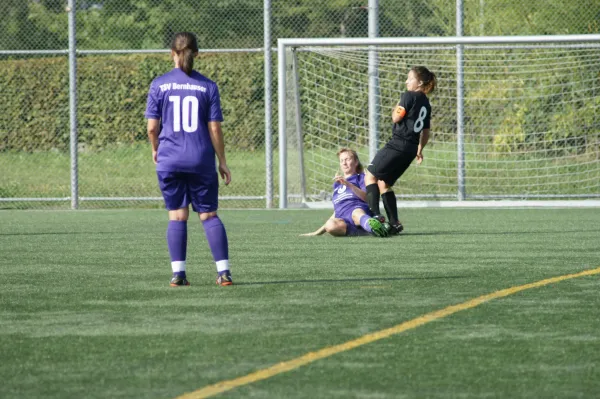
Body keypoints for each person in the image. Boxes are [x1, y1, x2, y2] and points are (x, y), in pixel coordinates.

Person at [145, 32, 233, 287]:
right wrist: (223, 161)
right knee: (208, 216)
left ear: (172, 53)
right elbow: (215, 128)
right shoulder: (208, 86)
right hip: (200, 161)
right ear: (196, 54)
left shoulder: (158, 84)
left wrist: (155, 148)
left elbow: (152, 128)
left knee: (177, 216)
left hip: (169, 160)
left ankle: (178, 275)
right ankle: (224, 273)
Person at [365, 66, 436, 235]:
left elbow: (396, 117)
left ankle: (374, 215)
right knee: (384, 184)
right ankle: (395, 223)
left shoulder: (408, 96)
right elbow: (425, 132)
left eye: (409, 78)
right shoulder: (426, 102)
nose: (406, 81)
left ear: (419, 82)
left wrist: (398, 104)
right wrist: (420, 149)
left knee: (370, 176)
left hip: (397, 144)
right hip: (410, 149)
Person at [300, 148, 388, 238]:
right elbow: (337, 209)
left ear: (356, 162)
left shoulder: (362, 177)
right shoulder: (337, 185)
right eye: (341, 160)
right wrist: (316, 232)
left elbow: (367, 198)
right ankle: (365, 231)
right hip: (343, 218)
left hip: (358, 210)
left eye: (347, 159)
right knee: (330, 225)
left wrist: (349, 184)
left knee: (356, 213)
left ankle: (375, 228)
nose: (344, 163)